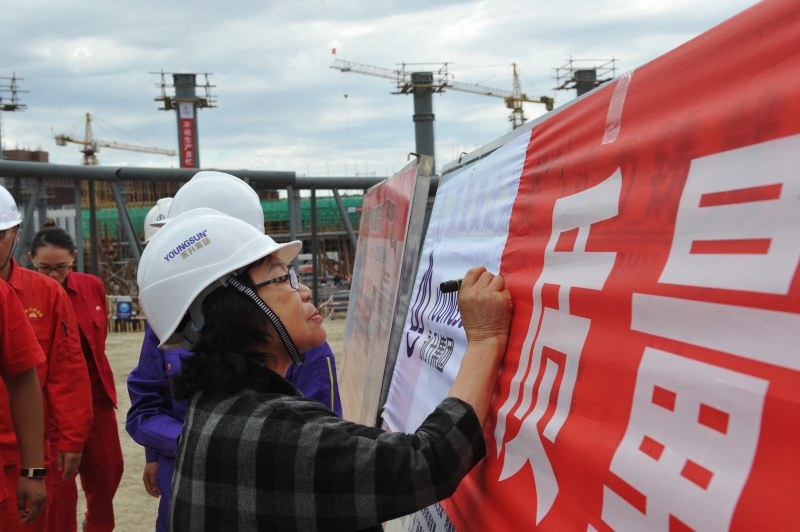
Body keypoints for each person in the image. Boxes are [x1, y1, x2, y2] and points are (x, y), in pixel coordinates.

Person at [137, 209, 512, 531]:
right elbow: (429, 461)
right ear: (234, 307)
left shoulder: (216, 406)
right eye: (282, 278)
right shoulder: (273, 428)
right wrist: (485, 339)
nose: (303, 292)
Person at [127, 173, 342, 532]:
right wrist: (181, 445)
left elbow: (328, 453)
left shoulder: (305, 346)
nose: (300, 290)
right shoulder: (171, 329)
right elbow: (146, 406)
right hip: (181, 487)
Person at [0, 190, 93, 532]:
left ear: (16, 233)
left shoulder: (46, 293)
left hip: (25, 452)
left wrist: (70, 439)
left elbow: (67, 371)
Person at [28, 223, 123, 532]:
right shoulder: (21, 296)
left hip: (95, 402)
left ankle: (96, 526)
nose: (54, 275)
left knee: (108, 474)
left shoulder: (92, 286)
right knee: (58, 491)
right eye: (46, 268)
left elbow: (98, 343)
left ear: (74, 258)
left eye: (61, 268)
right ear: (31, 259)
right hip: (49, 410)